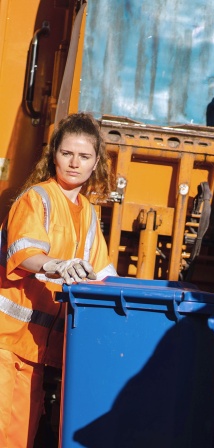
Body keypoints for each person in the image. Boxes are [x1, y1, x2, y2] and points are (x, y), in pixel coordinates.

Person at [0, 112, 117, 447]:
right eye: (67, 154)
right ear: (54, 155)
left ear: (96, 163)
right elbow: (23, 254)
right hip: (6, 342)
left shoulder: (89, 214)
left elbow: (104, 274)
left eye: (83, 156)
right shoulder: (37, 198)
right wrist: (56, 265)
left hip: (35, 350)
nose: (74, 163)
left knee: (20, 438)